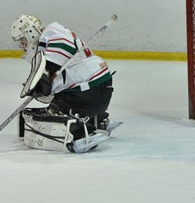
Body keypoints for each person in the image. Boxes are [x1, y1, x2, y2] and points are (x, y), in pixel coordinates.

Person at [11, 14, 119, 153]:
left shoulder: (52, 32)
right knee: (55, 104)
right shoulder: (48, 43)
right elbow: (51, 87)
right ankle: (97, 120)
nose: (22, 45)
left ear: (31, 32)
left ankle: (81, 134)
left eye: (23, 40)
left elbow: (61, 50)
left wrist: (46, 77)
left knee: (55, 110)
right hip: (98, 90)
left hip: (90, 92)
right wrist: (41, 86)